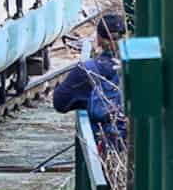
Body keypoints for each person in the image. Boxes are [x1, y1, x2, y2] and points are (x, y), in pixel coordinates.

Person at [53, 11, 126, 147]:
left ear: (98, 38)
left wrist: (82, 100)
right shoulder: (134, 67)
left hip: (102, 143)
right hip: (130, 144)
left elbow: (59, 102)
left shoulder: (88, 69)